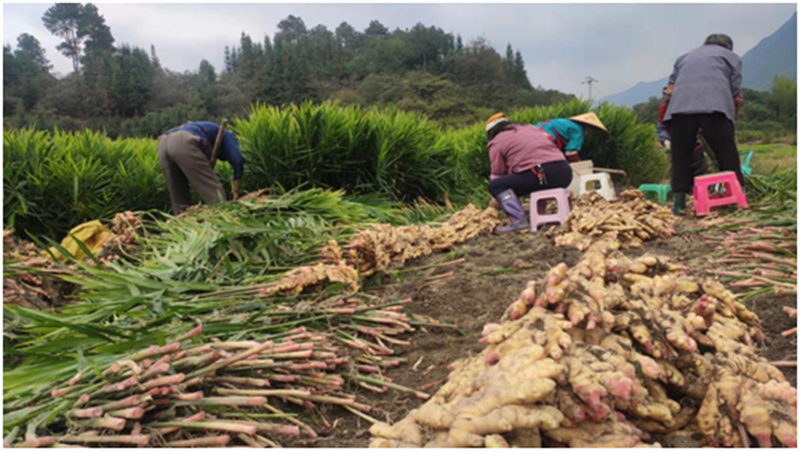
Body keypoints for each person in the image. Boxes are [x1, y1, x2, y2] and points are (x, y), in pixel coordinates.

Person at [664, 33, 744, 215]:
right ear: (727, 47)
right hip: (714, 106)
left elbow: (670, 89)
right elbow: (735, 89)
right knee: (726, 152)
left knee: (680, 155)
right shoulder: (731, 57)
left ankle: (679, 204)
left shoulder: (684, 58)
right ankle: (738, 199)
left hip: (680, 108)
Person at [486, 113, 573, 234]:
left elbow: (498, 172)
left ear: (491, 133)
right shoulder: (530, 128)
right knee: (526, 178)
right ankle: (535, 216)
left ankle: (518, 221)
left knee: (496, 185)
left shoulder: (497, 141)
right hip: (564, 172)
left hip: (541, 174)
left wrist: (497, 196)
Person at [158, 121, 245, 215]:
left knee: (178, 195)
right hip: (183, 140)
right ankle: (223, 218)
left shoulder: (205, 128)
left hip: (163, 143)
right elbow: (238, 160)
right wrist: (236, 190)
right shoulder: (227, 135)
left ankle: (182, 224)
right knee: (213, 190)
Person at [657, 86, 708, 177]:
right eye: (666, 95)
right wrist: (665, 139)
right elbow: (662, 127)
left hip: (695, 144)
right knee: (680, 175)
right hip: (677, 145)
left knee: (699, 172)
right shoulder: (664, 108)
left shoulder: (690, 105)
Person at [535, 112, 609, 162]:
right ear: (588, 128)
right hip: (546, 140)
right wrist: (581, 165)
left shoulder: (568, 124)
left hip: (534, 133)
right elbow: (571, 154)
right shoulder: (578, 131)